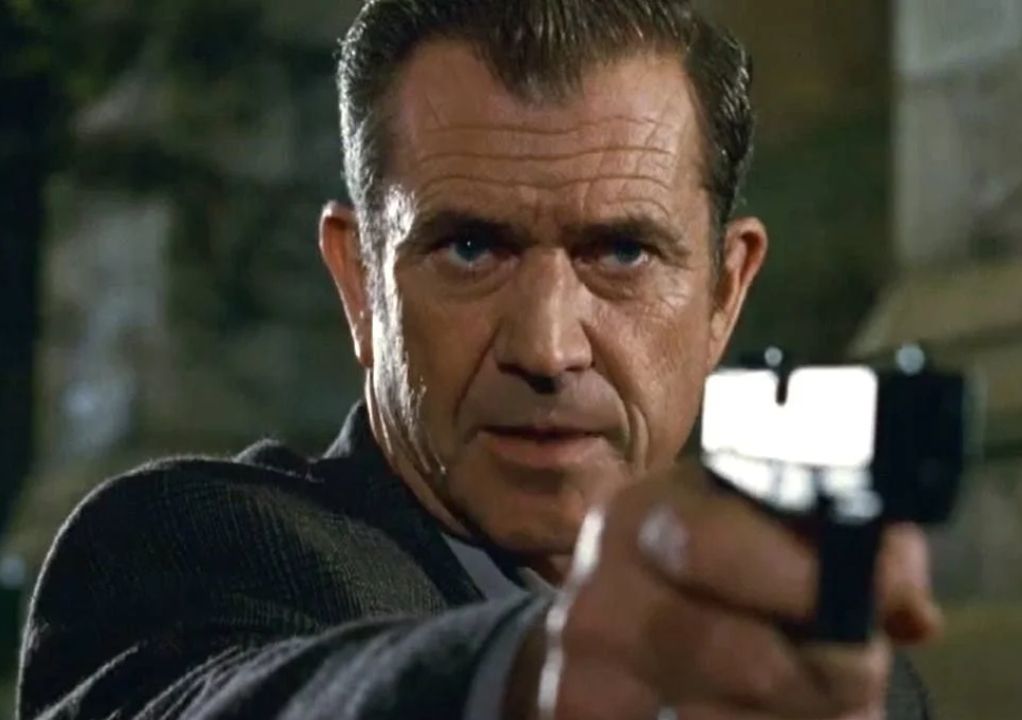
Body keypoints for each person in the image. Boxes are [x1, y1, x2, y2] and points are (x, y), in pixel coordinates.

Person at [18, 1, 942, 718]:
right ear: (359, 281)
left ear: (725, 294)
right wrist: (535, 671)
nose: (546, 348)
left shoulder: (851, 680)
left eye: (622, 252)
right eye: (470, 249)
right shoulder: (185, 552)